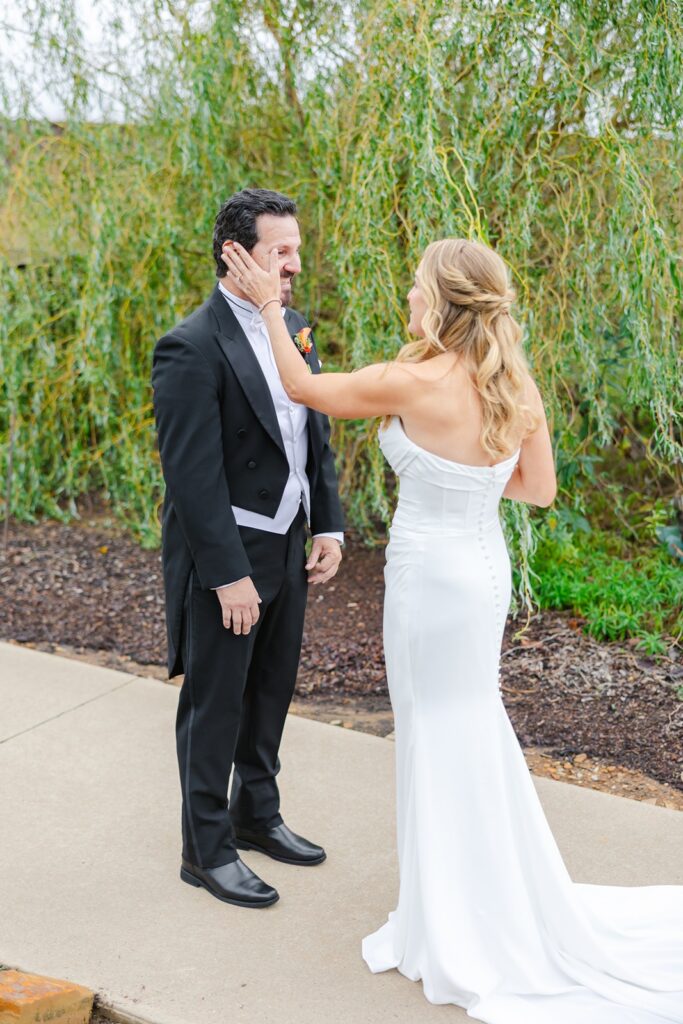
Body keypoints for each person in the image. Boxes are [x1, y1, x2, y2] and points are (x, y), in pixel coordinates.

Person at [221, 235, 683, 1022]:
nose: (406, 297)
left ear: (440, 299)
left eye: (413, 287)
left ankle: (454, 918)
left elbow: (300, 386)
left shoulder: (411, 380)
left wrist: (267, 302)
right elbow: (536, 490)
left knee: (435, 730)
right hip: (480, 571)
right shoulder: (511, 383)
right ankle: (481, 898)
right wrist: (464, 482)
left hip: (429, 576)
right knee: (468, 721)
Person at [151, 189, 344, 910]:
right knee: (216, 703)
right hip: (230, 557)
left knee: (269, 691)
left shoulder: (292, 327)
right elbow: (192, 478)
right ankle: (204, 850)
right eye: (280, 252)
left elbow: (311, 438)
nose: (294, 264)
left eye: (296, 248)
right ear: (237, 256)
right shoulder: (190, 345)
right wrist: (227, 575)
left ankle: (256, 814)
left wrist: (326, 525)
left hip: (289, 546)